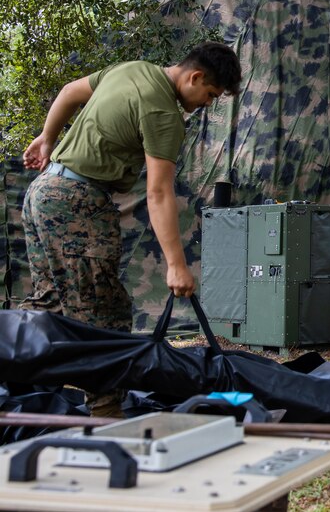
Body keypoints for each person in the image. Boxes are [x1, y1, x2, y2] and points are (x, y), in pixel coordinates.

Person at [20, 42, 242, 336]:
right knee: (106, 317)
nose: (208, 103)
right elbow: (158, 193)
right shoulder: (163, 113)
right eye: (211, 94)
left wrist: (47, 137)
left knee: (49, 304)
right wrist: (176, 265)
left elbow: (69, 92)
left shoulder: (131, 69)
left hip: (43, 191)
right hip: (76, 203)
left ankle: (20, 376)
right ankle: (107, 384)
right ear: (196, 77)